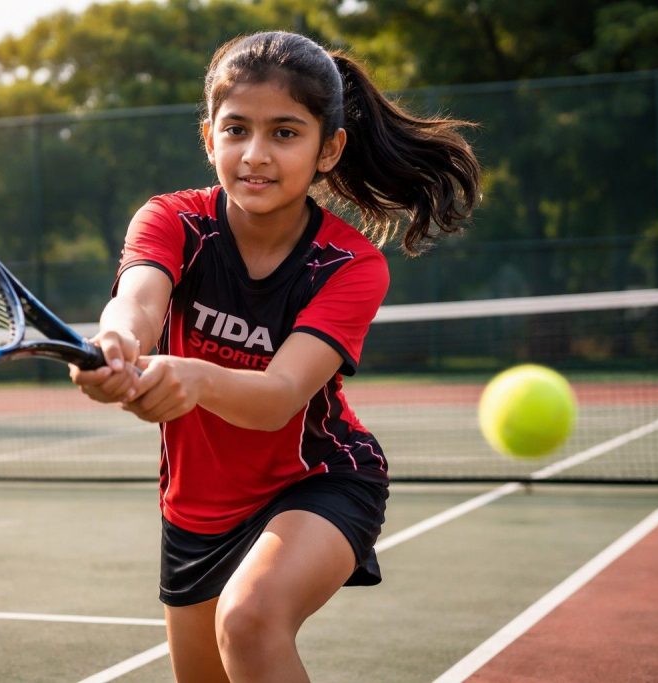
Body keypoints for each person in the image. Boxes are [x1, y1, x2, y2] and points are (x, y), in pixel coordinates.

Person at [71, 30, 480, 683]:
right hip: (196, 508)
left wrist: (193, 377)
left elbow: (280, 394)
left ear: (329, 149)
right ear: (209, 139)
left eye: (285, 133)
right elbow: (139, 304)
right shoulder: (172, 221)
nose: (255, 154)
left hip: (318, 479)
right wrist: (116, 342)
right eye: (236, 130)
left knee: (250, 619)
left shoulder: (350, 265)